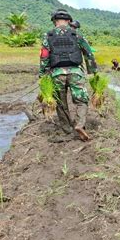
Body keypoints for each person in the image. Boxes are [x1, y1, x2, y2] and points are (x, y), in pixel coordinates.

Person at [39, 9, 97, 141]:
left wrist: (43, 74)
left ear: (54, 21)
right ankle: (80, 124)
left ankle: (67, 129)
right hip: (75, 72)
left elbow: (44, 57)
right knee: (81, 100)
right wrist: (93, 72)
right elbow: (88, 53)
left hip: (57, 74)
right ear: (69, 21)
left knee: (61, 103)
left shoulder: (48, 36)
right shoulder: (76, 34)